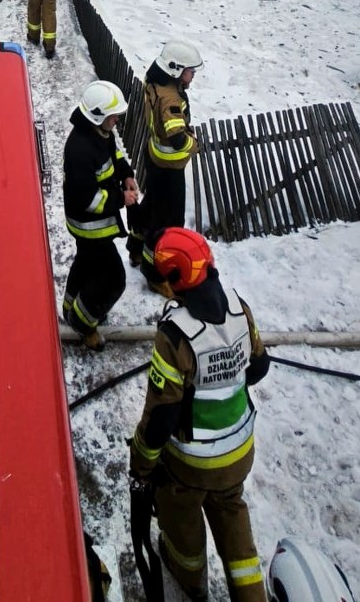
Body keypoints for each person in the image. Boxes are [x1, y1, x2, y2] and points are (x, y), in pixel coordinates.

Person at [129, 228, 269, 601]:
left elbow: (161, 417)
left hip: (190, 466)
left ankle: (190, 580)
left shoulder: (175, 335)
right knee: (233, 518)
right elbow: (258, 368)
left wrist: (141, 464)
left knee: (182, 522)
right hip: (238, 454)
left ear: (175, 280)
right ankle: (252, 594)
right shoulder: (239, 307)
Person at [62, 81, 140, 350]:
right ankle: (83, 324)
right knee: (113, 279)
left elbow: (114, 154)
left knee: (86, 264)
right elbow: (87, 199)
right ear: (97, 115)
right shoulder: (79, 150)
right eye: (113, 116)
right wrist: (121, 199)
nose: (117, 120)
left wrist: (126, 174)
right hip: (89, 227)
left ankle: (71, 308)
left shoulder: (101, 133)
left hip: (94, 225)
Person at [128, 40, 201, 275]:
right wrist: (194, 144)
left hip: (154, 158)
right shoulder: (171, 99)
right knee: (168, 222)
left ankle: (135, 248)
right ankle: (154, 269)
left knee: (151, 205)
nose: (193, 74)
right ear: (176, 69)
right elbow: (177, 138)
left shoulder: (156, 82)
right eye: (190, 70)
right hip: (169, 168)